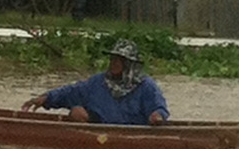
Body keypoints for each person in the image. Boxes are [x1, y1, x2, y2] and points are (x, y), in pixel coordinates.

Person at [21, 38, 169, 125]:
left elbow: (159, 108)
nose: (113, 63)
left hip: (133, 130)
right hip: (99, 129)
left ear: (129, 64)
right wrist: (45, 98)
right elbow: (70, 92)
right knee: (76, 112)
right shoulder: (98, 82)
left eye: (119, 60)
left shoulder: (145, 86)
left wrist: (157, 116)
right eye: (112, 59)